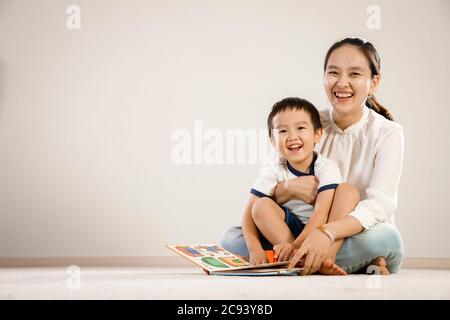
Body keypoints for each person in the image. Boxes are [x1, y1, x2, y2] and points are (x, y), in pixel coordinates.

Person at [220, 37, 404, 275]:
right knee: (230, 238)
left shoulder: (388, 132)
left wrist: (328, 233)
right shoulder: (305, 123)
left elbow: (379, 207)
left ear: (374, 82)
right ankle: (322, 261)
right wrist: (289, 189)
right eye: (333, 72)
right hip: (296, 232)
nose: (342, 83)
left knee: (388, 238)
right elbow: (264, 192)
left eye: (355, 74)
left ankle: (304, 259)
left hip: (352, 232)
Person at [242, 97, 359, 275]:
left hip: (322, 228)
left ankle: (323, 255)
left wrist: (295, 247)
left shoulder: (325, 167)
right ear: (273, 141)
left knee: (348, 191)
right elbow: (248, 216)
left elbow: (321, 213)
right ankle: (298, 259)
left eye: (301, 128)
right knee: (260, 206)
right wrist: (254, 249)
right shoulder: (274, 171)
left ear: (317, 135)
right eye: (282, 131)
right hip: (288, 231)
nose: (292, 137)